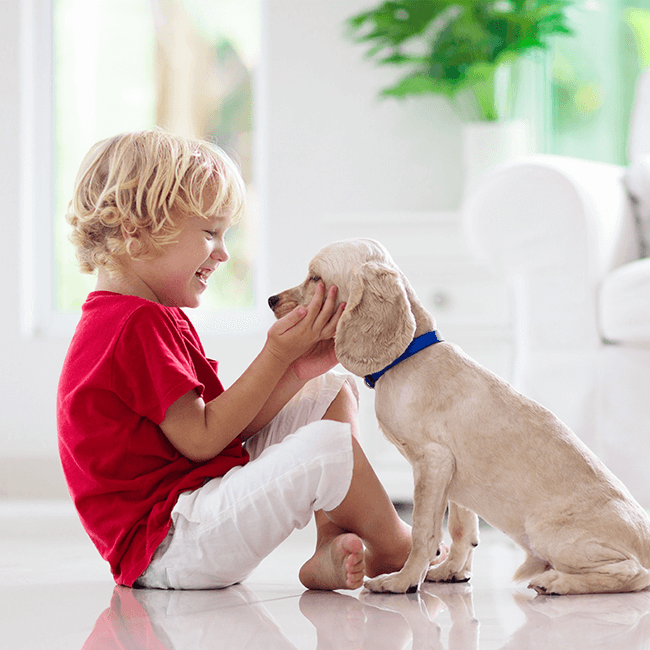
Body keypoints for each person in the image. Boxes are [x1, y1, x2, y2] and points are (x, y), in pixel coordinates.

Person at [57, 129, 415, 591]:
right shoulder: (131, 326)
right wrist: (276, 353)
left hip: (193, 514)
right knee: (329, 447)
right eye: (210, 233)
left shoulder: (146, 316)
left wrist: (299, 369)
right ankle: (395, 547)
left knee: (332, 389)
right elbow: (204, 440)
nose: (224, 253)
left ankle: (332, 539)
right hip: (170, 543)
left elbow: (225, 429)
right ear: (136, 231)